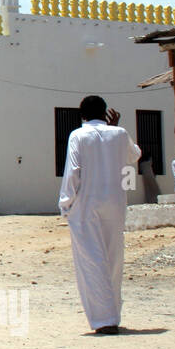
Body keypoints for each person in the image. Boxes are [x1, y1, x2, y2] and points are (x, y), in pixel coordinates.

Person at [58, 95, 141, 335]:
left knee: (91, 259)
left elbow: (73, 172)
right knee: (113, 257)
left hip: (87, 203)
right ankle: (113, 312)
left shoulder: (78, 135)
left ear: (82, 115)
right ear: (105, 113)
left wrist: (66, 203)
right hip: (115, 202)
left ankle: (104, 319)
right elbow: (134, 155)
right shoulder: (120, 134)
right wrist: (115, 129)